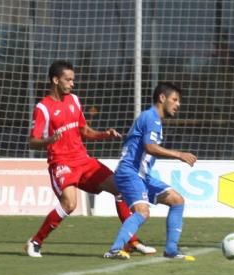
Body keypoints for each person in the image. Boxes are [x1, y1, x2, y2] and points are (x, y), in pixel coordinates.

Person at [26, 60, 154, 258]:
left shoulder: (74, 100)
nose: (72, 83)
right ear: (55, 80)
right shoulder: (43, 108)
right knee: (69, 204)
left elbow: (84, 130)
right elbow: (32, 141)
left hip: (83, 160)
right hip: (61, 163)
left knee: (121, 189)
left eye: (73, 80)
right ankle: (35, 241)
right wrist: (50, 140)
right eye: (68, 80)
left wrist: (104, 134)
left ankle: (131, 241)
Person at [103, 81, 198, 261]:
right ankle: (115, 249)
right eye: (175, 99)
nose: (178, 104)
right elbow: (150, 147)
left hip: (142, 175)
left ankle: (171, 249)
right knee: (142, 212)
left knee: (177, 200)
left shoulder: (154, 119)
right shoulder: (151, 117)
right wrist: (179, 154)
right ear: (162, 98)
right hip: (129, 172)